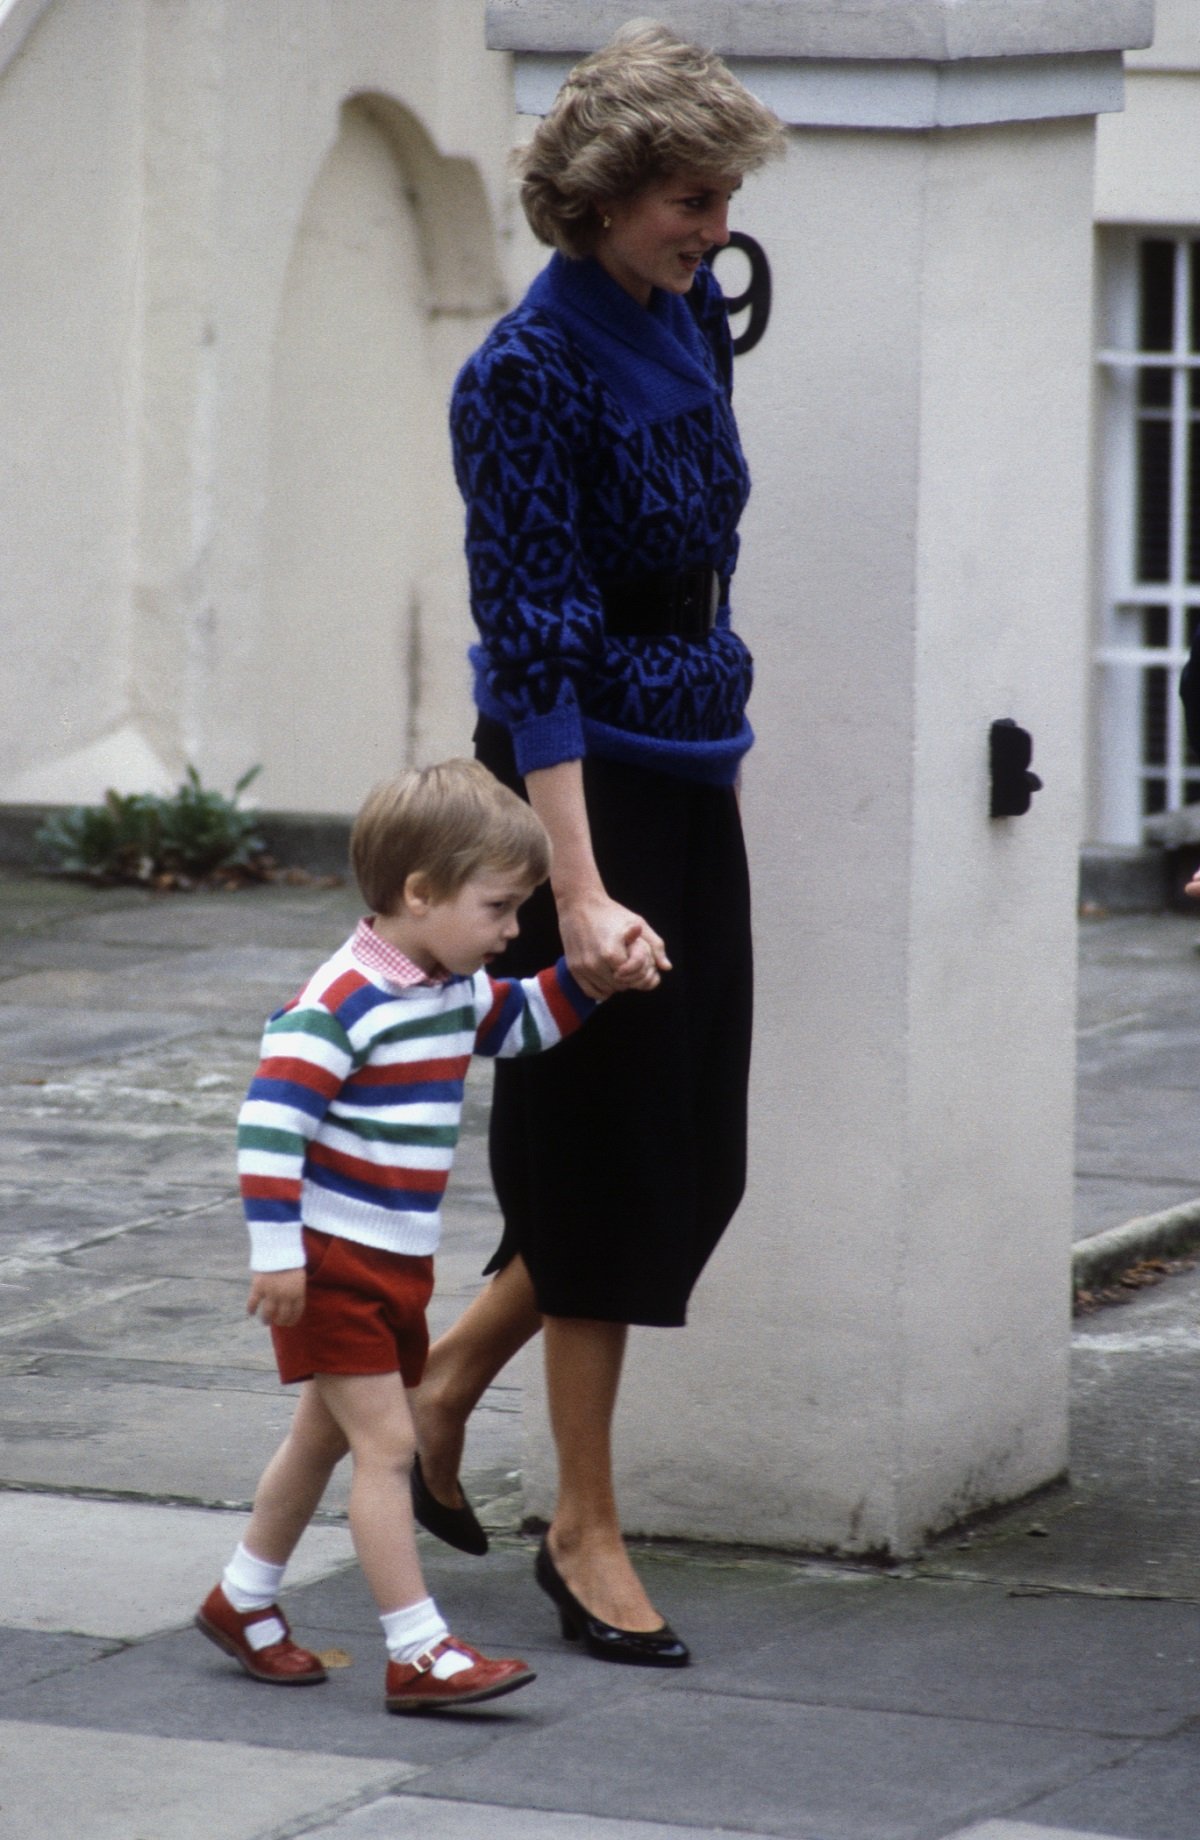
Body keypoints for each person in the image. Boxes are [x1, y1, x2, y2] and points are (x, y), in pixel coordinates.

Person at [409, 23, 786, 1667]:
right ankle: (584, 1528)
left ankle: (441, 1381)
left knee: (694, 1153)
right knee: (613, 1158)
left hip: (693, 764)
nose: (714, 227)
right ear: (611, 198)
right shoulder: (521, 376)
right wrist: (573, 890)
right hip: (581, 786)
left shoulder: (683, 311)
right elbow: (532, 647)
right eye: (691, 199)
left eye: (718, 201)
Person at [194, 759, 655, 1714]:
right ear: (418, 892)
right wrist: (278, 1253)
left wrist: (594, 979)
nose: (513, 929)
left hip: (393, 1262)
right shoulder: (343, 1001)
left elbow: (526, 1020)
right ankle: (418, 1649)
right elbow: (270, 1128)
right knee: (389, 1450)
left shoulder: (444, 985)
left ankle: (242, 1599)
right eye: (498, 908)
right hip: (333, 1265)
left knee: (321, 1438)